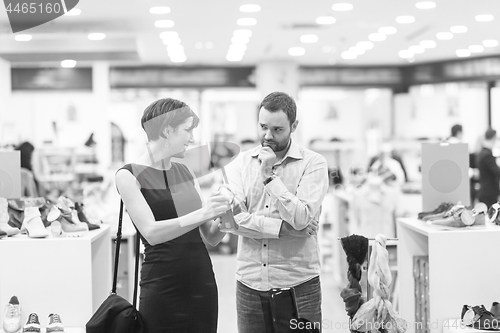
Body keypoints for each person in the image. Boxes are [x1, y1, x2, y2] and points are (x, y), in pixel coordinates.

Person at [115, 98, 230, 333]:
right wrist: (203, 212)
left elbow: (211, 236)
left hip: (201, 281)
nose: (192, 138)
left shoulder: (184, 171)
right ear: (167, 130)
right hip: (161, 284)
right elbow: (152, 232)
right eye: (188, 130)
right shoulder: (130, 175)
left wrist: (227, 212)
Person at [225, 91, 329, 332]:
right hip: (249, 283)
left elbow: (303, 218)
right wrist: (283, 229)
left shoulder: (313, 163)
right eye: (263, 127)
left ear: (294, 126)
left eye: (277, 129)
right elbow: (232, 220)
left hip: (298, 284)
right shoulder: (240, 163)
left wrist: (269, 176)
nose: (267, 136)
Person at [476, 128, 500, 207]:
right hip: (489, 192)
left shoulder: (482, 153)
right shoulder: (487, 155)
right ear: (494, 138)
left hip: (485, 190)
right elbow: (496, 172)